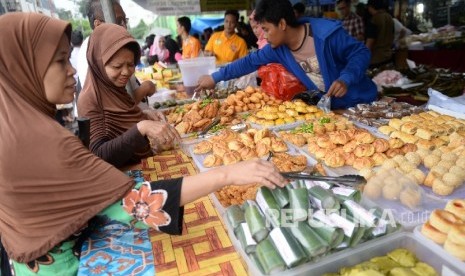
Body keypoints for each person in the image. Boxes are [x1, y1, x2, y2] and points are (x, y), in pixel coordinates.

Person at [0, 13, 287, 275]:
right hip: (63, 266)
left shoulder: (16, 124)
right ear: (24, 66)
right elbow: (138, 204)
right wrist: (228, 174)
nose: (73, 72)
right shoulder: (40, 142)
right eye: (61, 61)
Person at [197, 0, 377, 109]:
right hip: (333, 109)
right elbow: (250, 61)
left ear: (282, 24)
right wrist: (215, 77)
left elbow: (360, 52)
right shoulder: (278, 48)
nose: (264, 36)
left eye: (266, 29)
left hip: (361, 104)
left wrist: (346, 78)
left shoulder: (326, 35)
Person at [78, 24, 178, 168]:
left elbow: (122, 120)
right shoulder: (90, 98)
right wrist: (141, 127)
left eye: (131, 65)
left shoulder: (115, 89)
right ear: (98, 64)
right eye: (117, 67)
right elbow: (98, 156)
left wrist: (144, 115)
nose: (126, 72)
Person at [77, 0, 155, 104]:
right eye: (118, 21)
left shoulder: (113, 44)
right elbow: (114, 104)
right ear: (98, 24)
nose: (124, 27)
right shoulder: (91, 50)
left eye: (124, 21)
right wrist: (146, 87)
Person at [365, 0, 394, 67]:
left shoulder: (374, 19)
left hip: (376, 59)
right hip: (388, 56)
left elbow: (369, 42)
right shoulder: (389, 17)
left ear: (370, 7)